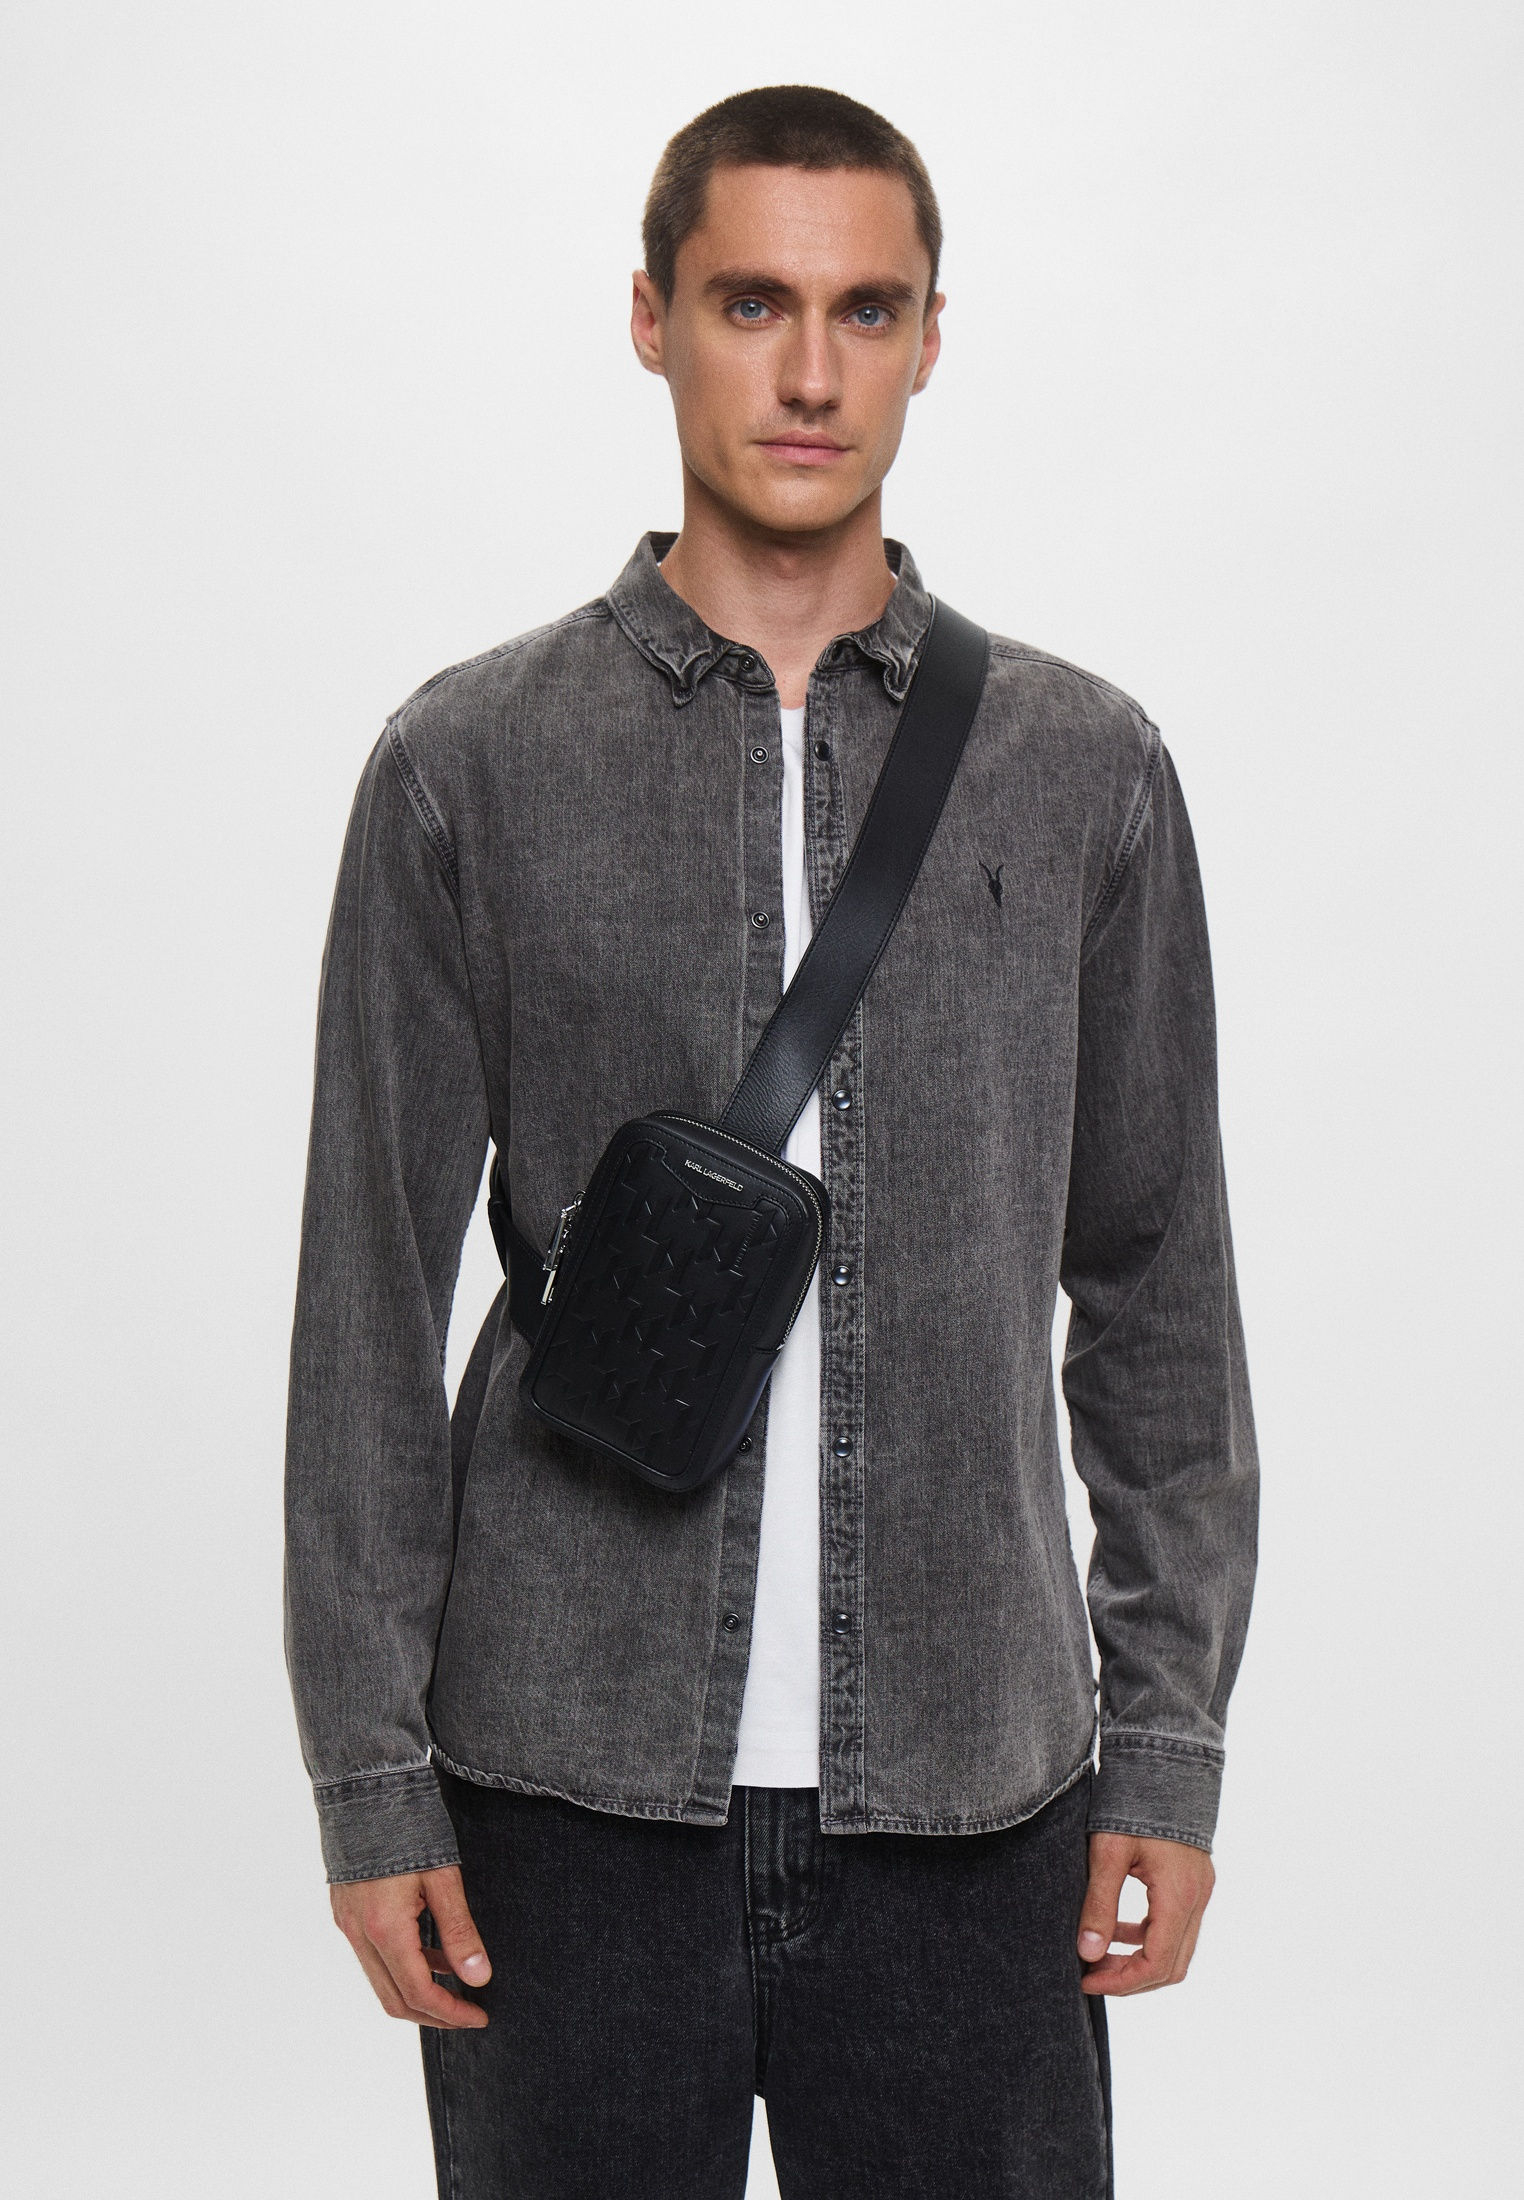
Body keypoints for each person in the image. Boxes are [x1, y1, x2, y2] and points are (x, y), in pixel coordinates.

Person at [283, 82, 1259, 2200]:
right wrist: (372, 1779)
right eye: (750, 303)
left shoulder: (1083, 766)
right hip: (560, 1799)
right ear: (650, 318)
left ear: (928, 337)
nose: (810, 373)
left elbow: (1157, 1284)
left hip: (976, 1807)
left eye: (864, 310)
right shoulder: (468, 764)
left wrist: (1167, 1745)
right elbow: (366, 1299)